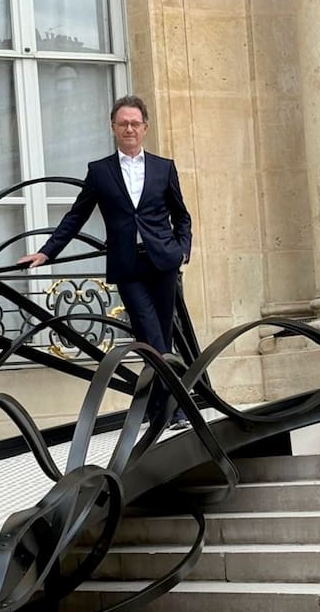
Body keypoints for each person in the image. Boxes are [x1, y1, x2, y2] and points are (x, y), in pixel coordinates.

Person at [19, 95, 193, 430]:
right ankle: (176, 409)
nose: (129, 128)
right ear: (113, 127)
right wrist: (46, 252)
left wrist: (183, 248)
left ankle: (160, 409)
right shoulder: (100, 171)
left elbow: (181, 215)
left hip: (162, 263)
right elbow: (77, 215)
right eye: (122, 123)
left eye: (135, 123)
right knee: (152, 337)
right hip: (129, 268)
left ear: (145, 128)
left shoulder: (163, 167)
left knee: (161, 339)